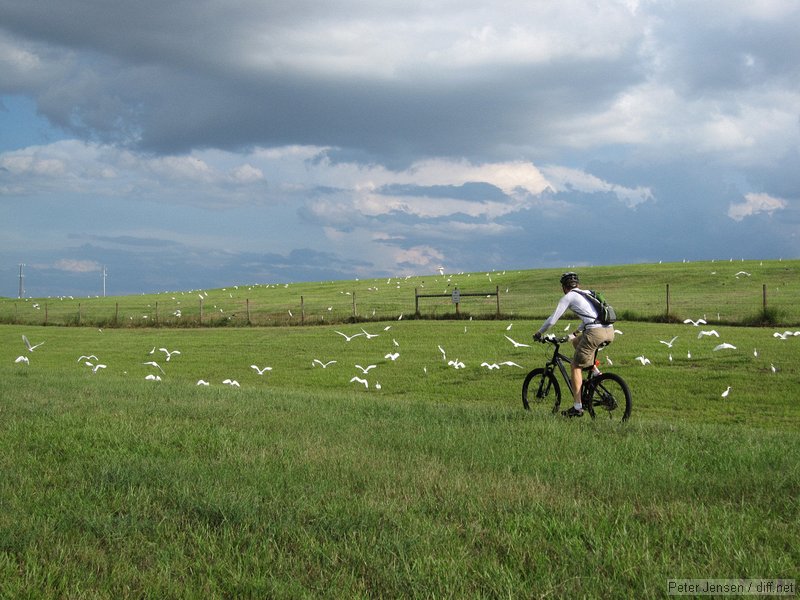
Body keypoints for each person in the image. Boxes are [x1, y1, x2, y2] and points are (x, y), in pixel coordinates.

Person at [533, 272, 615, 417]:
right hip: (609, 331)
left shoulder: (568, 297)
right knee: (577, 342)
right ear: (578, 285)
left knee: (575, 366)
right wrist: (574, 334)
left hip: (595, 333)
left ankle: (577, 407)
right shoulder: (588, 293)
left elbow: (552, 320)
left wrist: (539, 333)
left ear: (564, 287)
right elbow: (591, 317)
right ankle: (596, 373)